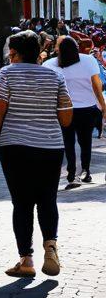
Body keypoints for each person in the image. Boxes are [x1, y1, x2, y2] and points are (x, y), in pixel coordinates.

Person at [0, 30, 73, 278]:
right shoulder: (55, 75)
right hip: (50, 145)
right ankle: (51, 246)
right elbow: (66, 118)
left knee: (22, 203)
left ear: (14, 53)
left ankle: (26, 259)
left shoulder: (4, 74)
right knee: (48, 199)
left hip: (14, 146)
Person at [45, 35, 106, 186]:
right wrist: (103, 106)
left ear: (58, 49)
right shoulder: (89, 60)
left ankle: (71, 171)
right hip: (87, 108)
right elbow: (96, 86)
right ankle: (86, 170)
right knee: (86, 142)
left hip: (64, 110)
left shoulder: (49, 64)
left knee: (68, 142)